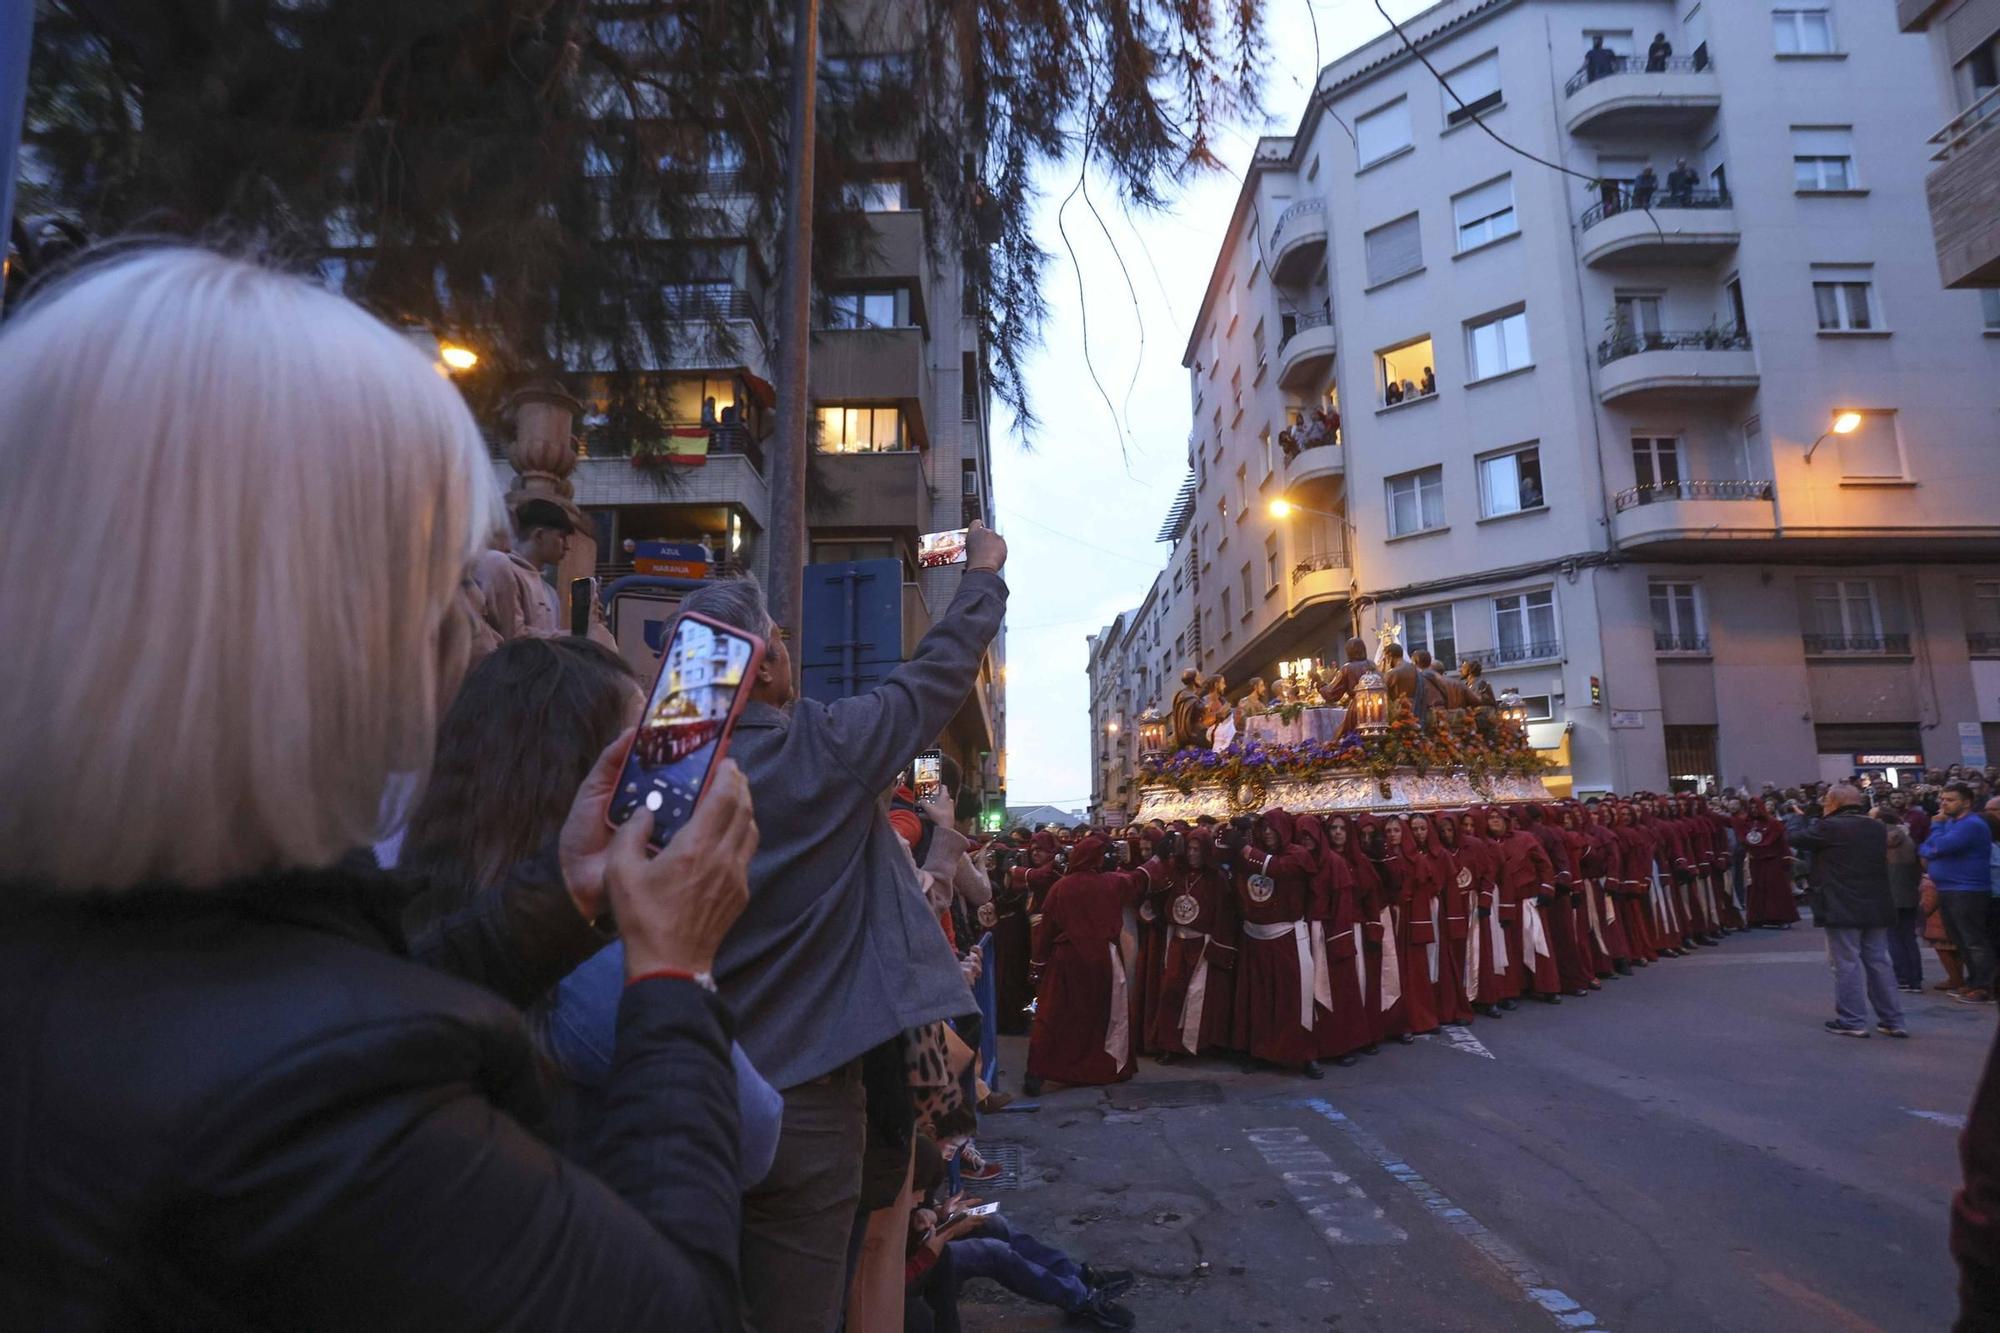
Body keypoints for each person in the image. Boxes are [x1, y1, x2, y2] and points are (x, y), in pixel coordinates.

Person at [0, 247, 756, 1326]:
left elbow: (288, 988)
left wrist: (564, 890)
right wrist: (674, 975)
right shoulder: (327, 1113)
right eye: (430, 584)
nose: (456, 636)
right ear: (302, 634)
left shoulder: (105, 950)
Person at [675, 522, 1008, 1333]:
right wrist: (985, 576)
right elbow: (930, 681)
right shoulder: (822, 748)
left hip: (680, 1090)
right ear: (766, 662)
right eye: (778, 640)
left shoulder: (654, 779)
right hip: (809, 1101)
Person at [397, 636, 783, 1188]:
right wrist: (679, 967)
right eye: (634, 756)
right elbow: (751, 1131)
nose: (655, 771)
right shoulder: (593, 970)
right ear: (579, 778)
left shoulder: (405, 915)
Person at [1024, 836, 1142, 1090]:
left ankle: (1038, 1071)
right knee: (1103, 1016)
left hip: (1067, 961)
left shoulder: (1061, 887)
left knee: (1055, 1016)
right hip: (1103, 961)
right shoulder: (1113, 883)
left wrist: (1037, 966)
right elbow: (1136, 881)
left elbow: (1046, 931)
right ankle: (1107, 1066)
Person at [1794, 784, 1908, 1037]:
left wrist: (1803, 817)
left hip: (1841, 904)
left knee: (1847, 963)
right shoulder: (1876, 827)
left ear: (1833, 803)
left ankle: (1853, 1020)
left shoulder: (1829, 827)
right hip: (1876, 904)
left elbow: (1795, 838)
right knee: (1879, 962)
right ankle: (1893, 1019)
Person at [1922, 782, 1997, 1003]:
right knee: (1960, 940)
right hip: (1948, 888)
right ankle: (1974, 982)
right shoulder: (1952, 823)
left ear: (1966, 802)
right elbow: (1925, 848)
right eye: (1943, 799)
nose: (1944, 804)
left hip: (1967, 890)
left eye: (1950, 800)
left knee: (1973, 940)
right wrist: (1933, 844)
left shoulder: (1970, 824)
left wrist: (1935, 828)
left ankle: (1986, 987)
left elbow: (1938, 848)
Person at [473, 496, 579, 640]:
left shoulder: (551, 593)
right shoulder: (501, 567)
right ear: (539, 535)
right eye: (562, 537)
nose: (567, 546)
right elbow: (513, 636)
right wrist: (578, 636)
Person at [1879, 805, 1926, 992]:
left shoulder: (1880, 842)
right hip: (1909, 892)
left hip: (1890, 893)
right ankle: (1915, 979)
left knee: (1894, 938)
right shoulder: (1908, 839)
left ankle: (1903, 978)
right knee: (1908, 938)